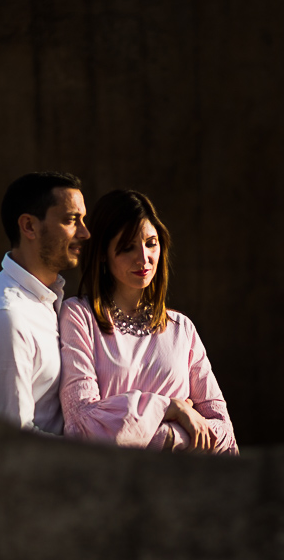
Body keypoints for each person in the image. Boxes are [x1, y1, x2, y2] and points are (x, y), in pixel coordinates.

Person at [59, 189, 238, 453]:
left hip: (184, 487)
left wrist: (150, 432)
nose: (143, 258)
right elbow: (84, 427)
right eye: (127, 247)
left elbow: (224, 434)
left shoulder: (181, 329)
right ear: (101, 254)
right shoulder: (78, 316)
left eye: (151, 243)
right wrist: (171, 408)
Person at [0, 171, 89, 433]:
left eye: (83, 220)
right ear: (29, 226)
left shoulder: (49, 300)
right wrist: (97, 457)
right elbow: (14, 440)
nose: (85, 233)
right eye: (71, 220)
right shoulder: (7, 317)